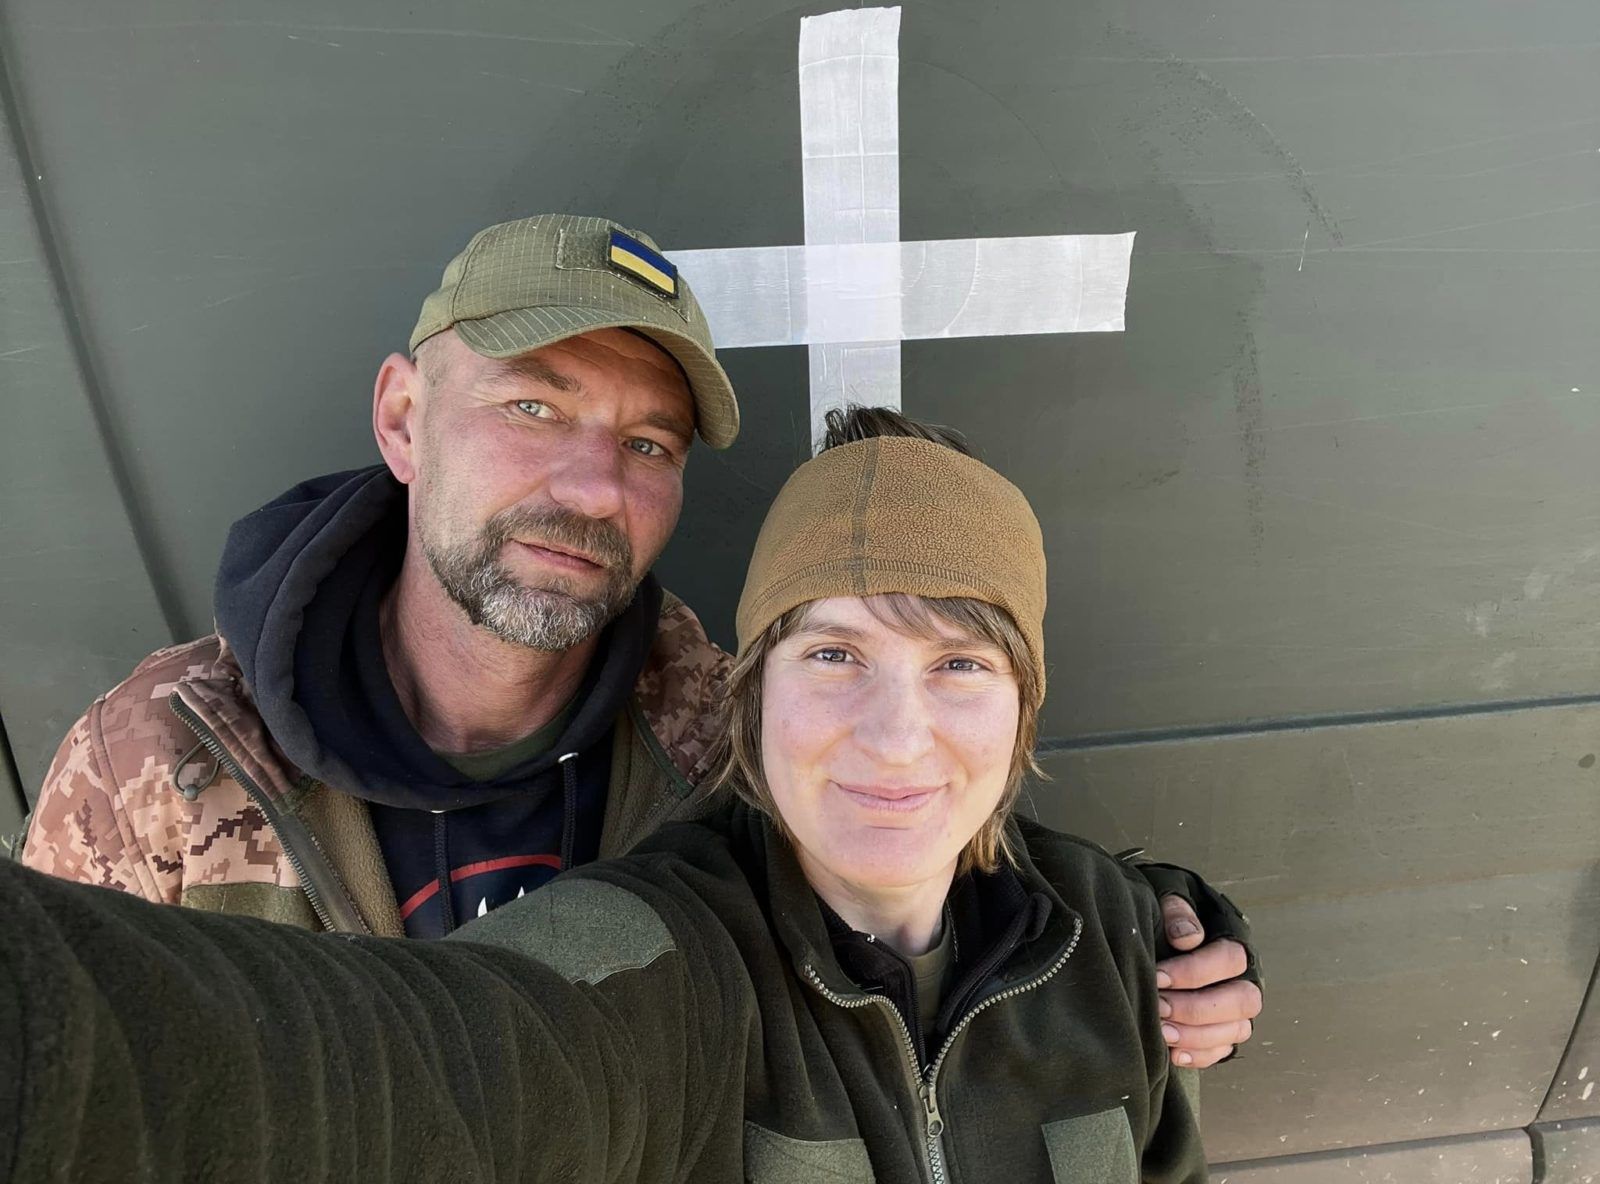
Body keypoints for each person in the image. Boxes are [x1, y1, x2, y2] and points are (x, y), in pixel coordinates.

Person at [19, 214, 1259, 1063]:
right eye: (531, 405)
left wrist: (1151, 924)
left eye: (646, 442)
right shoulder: (159, 766)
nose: (592, 489)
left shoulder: (714, 732)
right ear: (403, 418)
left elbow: (916, 824)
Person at [2, 409, 1215, 1181]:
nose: (896, 738)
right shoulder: (666, 954)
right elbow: (413, 1064)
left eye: (960, 666)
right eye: (832, 654)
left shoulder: (1115, 935)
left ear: (1023, 708)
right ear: (750, 697)